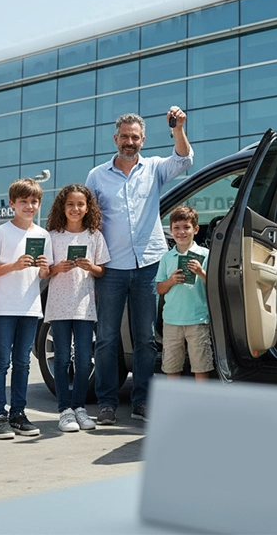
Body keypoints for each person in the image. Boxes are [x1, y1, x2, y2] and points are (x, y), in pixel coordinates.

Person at [86, 108, 192, 425]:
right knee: (106, 338)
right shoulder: (97, 175)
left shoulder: (155, 168)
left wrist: (178, 129)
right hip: (111, 268)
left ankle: (141, 401)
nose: (130, 142)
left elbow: (184, 159)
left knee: (145, 339)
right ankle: (106, 403)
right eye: (125, 136)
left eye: (135, 137)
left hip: (148, 264)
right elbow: (90, 221)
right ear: (115, 138)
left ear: (142, 140)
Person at [0, 178, 53, 439]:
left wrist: (45, 267)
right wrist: (13, 265)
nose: (30, 205)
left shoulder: (43, 235)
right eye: (24, 201)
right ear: (12, 203)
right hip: (3, 307)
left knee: (23, 362)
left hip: (30, 307)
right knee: (1, 361)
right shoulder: (2, 232)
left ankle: (18, 413)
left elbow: (45, 274)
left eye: (34, 201)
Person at [42, 184, 109, 432]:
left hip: (84, 306)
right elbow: (44, 271)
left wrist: (90, 267)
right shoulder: (52, 236)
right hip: (59, 305)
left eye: (80, 204)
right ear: (62, 206)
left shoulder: (94, 236)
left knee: (84, 359)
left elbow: (102, 270)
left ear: (87, 207)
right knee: (61, 359)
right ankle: (64, 410)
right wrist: (56, 269)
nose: (75, 208)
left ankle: (79, 407)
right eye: (70, 204)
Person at [155, 206, 213, 381]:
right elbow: (160, 289)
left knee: (201, 366)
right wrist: (171, 281)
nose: (181, 232)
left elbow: (214, 286)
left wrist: (201, 273)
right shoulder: (166, 258)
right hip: (172, 320)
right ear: (171, 230)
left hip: (198, 319)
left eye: (186, 227)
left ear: (195, 229)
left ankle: (201, 405)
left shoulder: (205, 254)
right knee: (172, 366)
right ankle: (176, 405)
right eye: (176, 228)